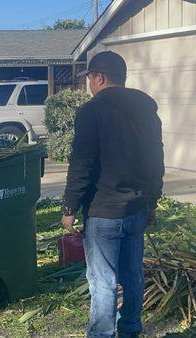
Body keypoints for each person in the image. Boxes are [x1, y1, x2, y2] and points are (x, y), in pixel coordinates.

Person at [61, 51, 165, 338]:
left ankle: (102, 334)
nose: (89, 84)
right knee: (132, 274)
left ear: (100, 78)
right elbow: (156, 158)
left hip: (103, 212)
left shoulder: (92, 110)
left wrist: (69, 207)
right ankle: (130, 330)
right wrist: (152, 201)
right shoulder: (146, 107)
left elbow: (81, 162)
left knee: (103, 281)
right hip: (137, 208)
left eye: (90, 78)